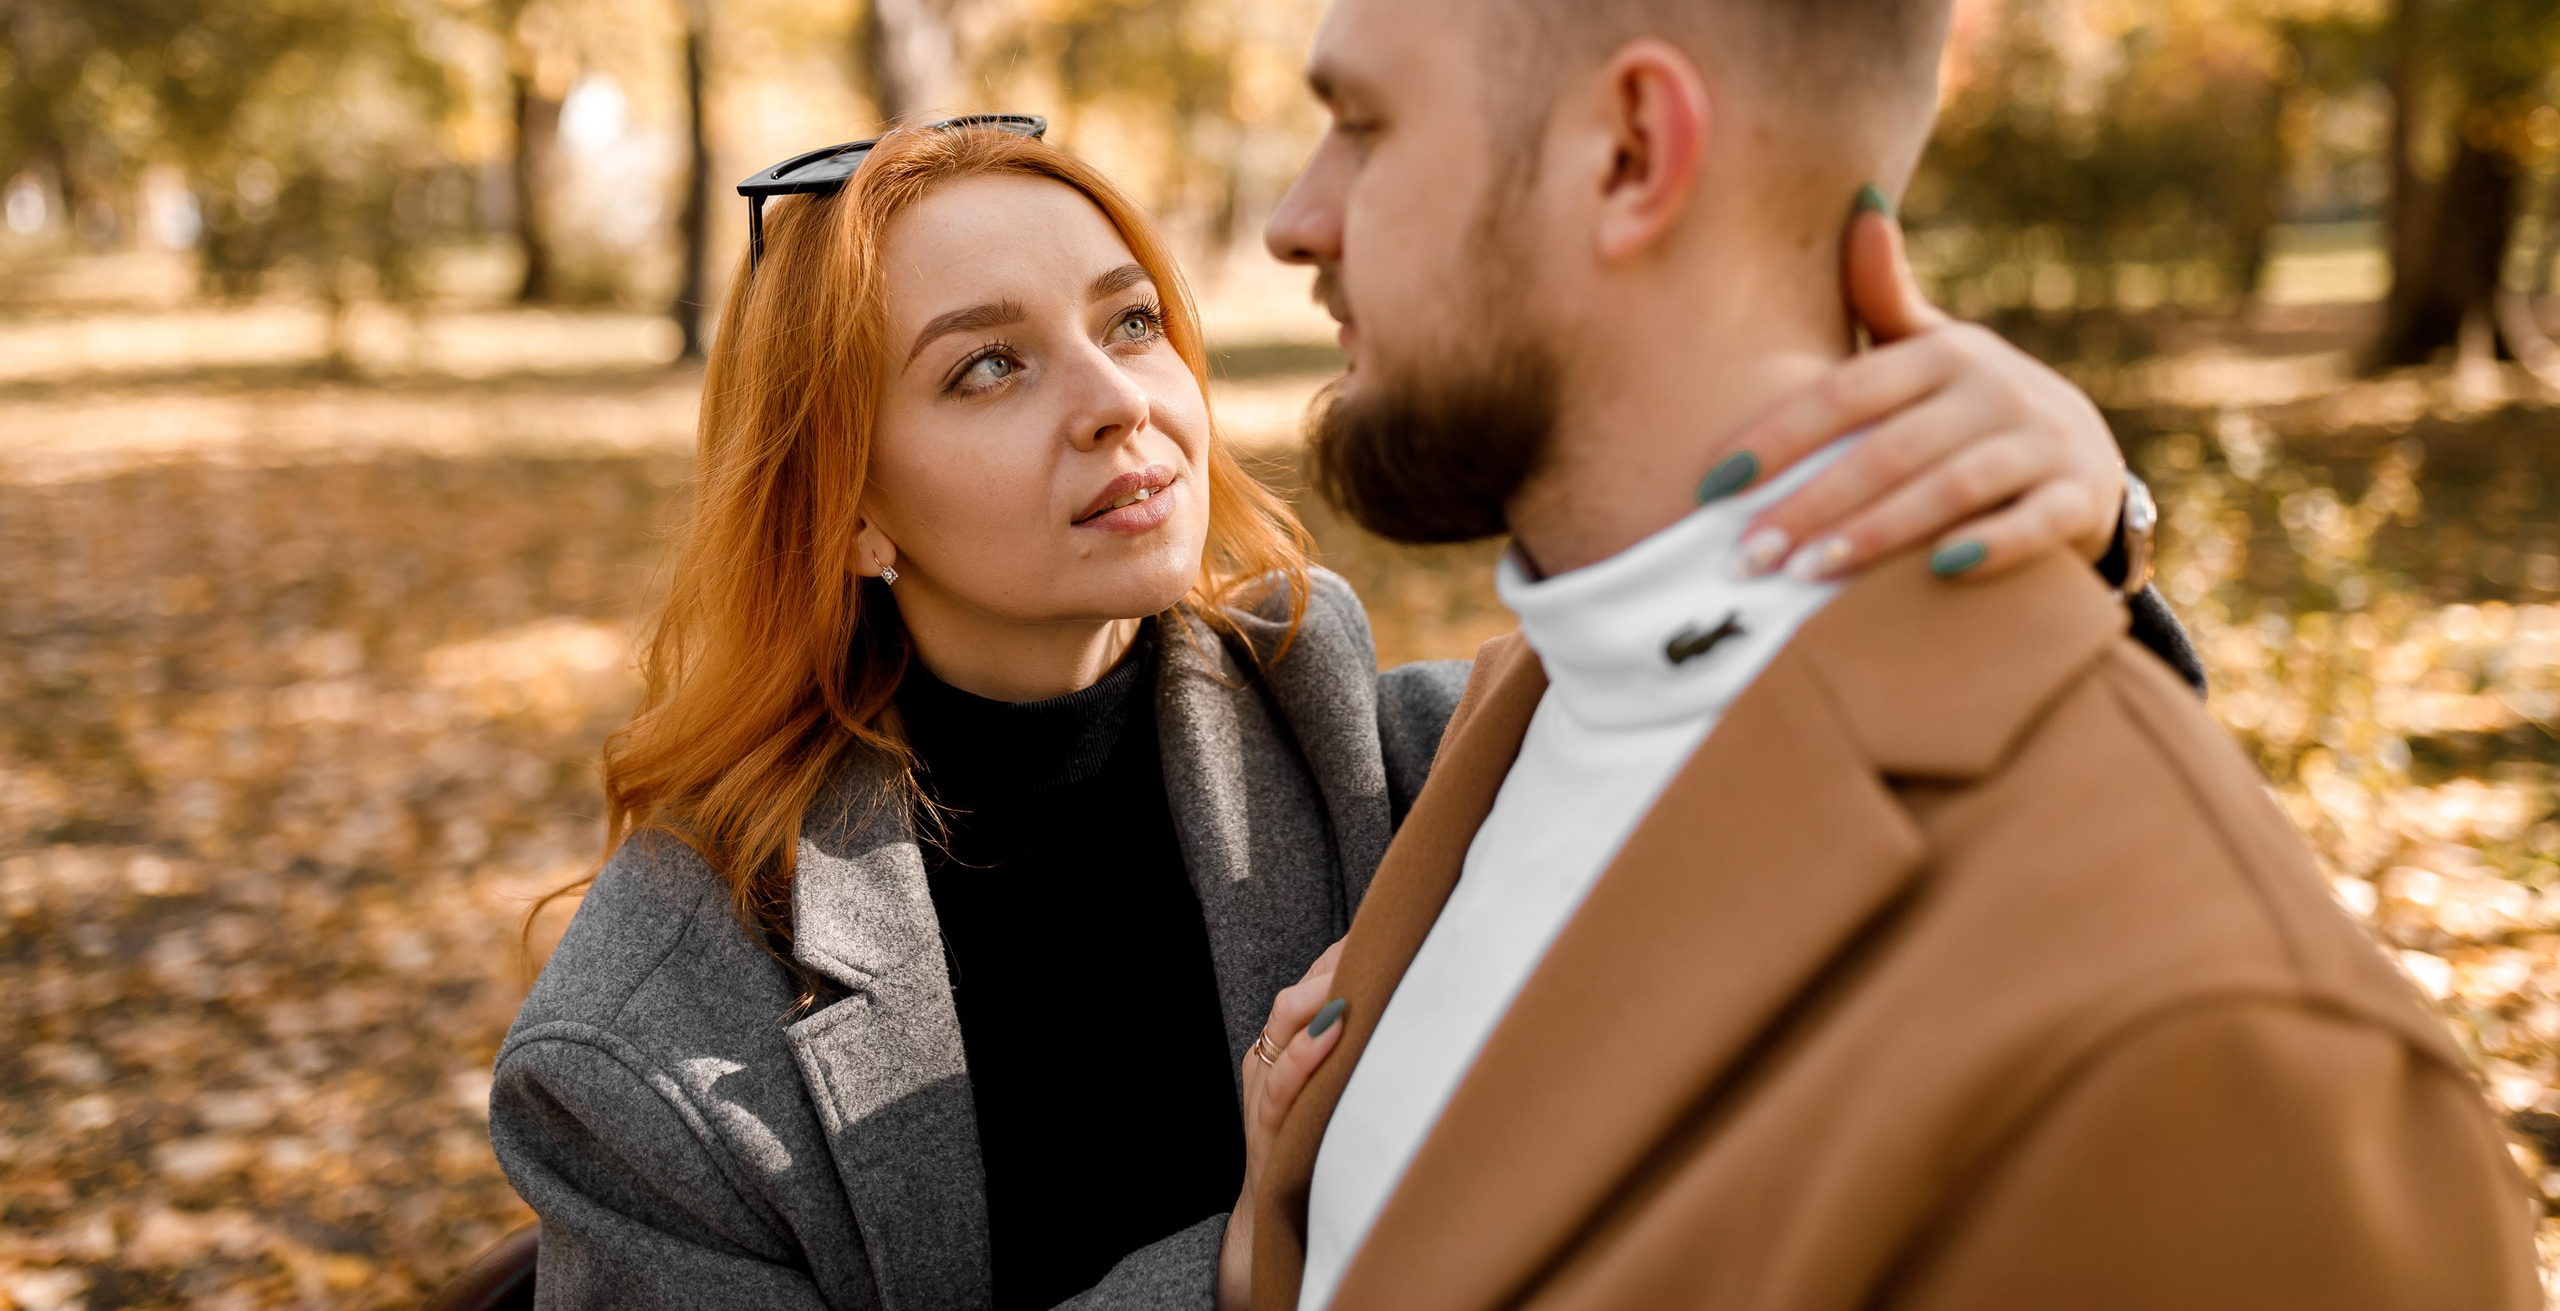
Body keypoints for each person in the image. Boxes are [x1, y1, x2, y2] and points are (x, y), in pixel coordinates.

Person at [1241, 0, 2538, 1311]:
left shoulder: (2216, 1047)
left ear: (1633, 151)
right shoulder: (1535, 699)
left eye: (1363, 121)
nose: (1299, 218)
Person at [485, 128, 2193, 1304]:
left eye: (1131, 321)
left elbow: (1934, 811)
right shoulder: (647, 1052)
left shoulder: (1365, 757)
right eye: (987, 366)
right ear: (850, 512)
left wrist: (2071, 522)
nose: (1119, 406)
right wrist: (1244, 1269)